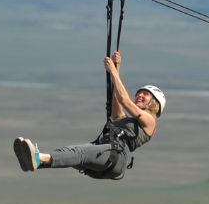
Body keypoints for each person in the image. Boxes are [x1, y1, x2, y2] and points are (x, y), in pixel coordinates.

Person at [13, 50, 165, 179]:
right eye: (139, 93)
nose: (139, 95)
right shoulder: (125, 121)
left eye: (145, 94)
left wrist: (112, 70)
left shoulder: (150, 121)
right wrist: (116, 69)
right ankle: (35, 162)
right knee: (70, 153)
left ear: (155, 103)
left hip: (115, 155)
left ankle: (38, 158)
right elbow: (117, 101)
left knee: (78, 153)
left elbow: (125, 101)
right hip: (107, 153)